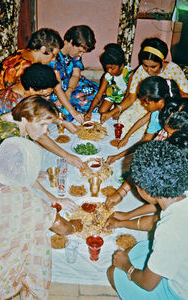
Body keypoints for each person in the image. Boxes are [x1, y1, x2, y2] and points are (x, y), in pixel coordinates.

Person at [0, 136, 82, 299]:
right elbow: (60, 226)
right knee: (38, 235)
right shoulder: (28, 199)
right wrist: (75, 226)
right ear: (21, 169)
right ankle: (29, 289)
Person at [107, 140, 188, 300]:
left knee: (113, 272)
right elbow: (156, 219)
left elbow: (148, 284)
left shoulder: (171, 229)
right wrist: (122, 221)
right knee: (132, 250)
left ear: (147, 191)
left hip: (179, 291)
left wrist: (126, 267)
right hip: (179, 259)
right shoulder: (179, 194)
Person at [105, 97, 188, 231]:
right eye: (165, 130)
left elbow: (163, 204)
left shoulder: (180, 163)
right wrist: (122, 193)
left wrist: (125, 220)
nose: (164, 137)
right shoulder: (168, 136)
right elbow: (148, 169)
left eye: (170, 134)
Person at [101, 37, 188, 138]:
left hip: (167, 108)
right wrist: (113, 111)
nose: (149, 71)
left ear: (162, 61)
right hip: (145, 104)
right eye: (145, 65)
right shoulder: (141, 70)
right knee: (124, 122)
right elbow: (131, 97)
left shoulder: (174, 69)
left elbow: (184, 94)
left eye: (153, 67)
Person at [0, 94, 85, 172]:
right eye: (42, 125)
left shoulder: (20, 118)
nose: (45, 131)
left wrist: (61, 122)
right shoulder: (6, 136)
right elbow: (8, 173)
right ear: (25, 117)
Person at [0, 28, 63, 97]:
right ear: (43, 49)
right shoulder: (25, 68)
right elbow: (17, 97)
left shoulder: (23, 52)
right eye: (53, 55)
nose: (54, 59)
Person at [48, 25, 99, 121]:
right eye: (80, 51)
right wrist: (73, 111)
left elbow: (76, 75)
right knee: (65, 111)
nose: (80, 55)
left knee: (97, 92)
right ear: (71, 42)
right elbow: (57, 88)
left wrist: (69, 90)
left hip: (71, 86)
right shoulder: (53, 56)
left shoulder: (75, 55)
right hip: (56, 91)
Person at [84, 43, 132, 121]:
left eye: (112, 68)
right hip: (112, 96)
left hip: (124, 97)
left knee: (117, 116)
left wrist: (119, 108)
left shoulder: (129, 73)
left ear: (121, 66)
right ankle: (112, 106)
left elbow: (128, 95)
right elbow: (98, 95)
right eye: (107, 68)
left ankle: (114, 107)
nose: (109, 71)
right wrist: (89, 112)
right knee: (101, 112)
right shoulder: (107, 76)